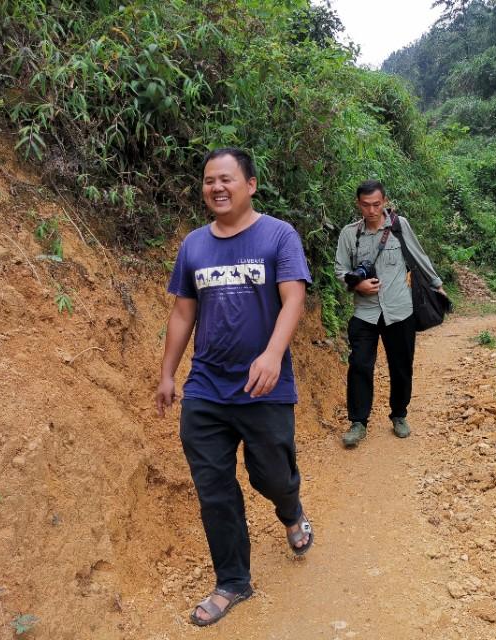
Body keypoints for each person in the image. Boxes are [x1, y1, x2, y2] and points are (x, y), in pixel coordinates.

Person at [155, 147, 313, 627]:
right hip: (205, 389)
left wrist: (271, 354)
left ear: (250, 184)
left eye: (225, 179)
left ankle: (291, 511)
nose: (216, 188)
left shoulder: (278, 236)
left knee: (271, 476)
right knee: (214, 489)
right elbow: (183, 312)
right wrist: (168, 373)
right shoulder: (194, 246)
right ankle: (232, 581)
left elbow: (293, 300)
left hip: (263, 387)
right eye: (208, 181)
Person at [334, 180, 445, 448]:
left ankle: (399, 415)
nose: (371, 210)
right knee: (360, 365)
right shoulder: (350, 234)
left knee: (401, 366)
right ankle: (358, 422)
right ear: (358, 204)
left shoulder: (399, 226)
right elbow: (340, 269)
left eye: (376, 204)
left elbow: (419, 257)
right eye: (365, 205)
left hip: (400, 310)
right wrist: (356, 283)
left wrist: (437, 285)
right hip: (365, 312)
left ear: (384, 202)